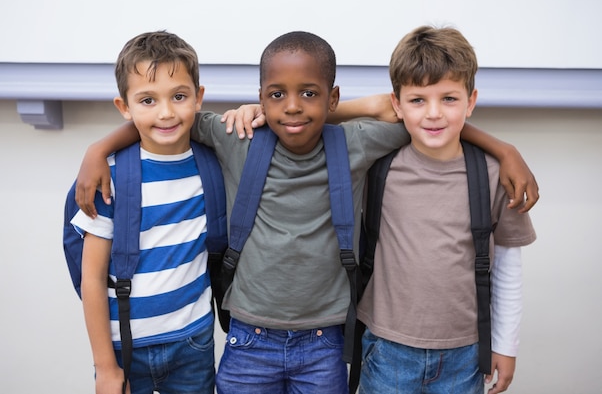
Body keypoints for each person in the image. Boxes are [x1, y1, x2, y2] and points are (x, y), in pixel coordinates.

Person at [74, 31, 539, 394]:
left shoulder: (356, 142)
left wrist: (503, 148)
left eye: (310, 95)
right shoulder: (239, 137)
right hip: (248, 340)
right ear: (259, 96)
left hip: (325, 343)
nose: (292, 106)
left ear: (332, 98)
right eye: (276, 95)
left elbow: (422, 120)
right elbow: (164, 122)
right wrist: (100, 148)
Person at [355, 25, 537, 394]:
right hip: (387, 349)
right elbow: (306, 120)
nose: (434, 113)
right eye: (417, 100)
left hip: (464, 354)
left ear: (471, 101)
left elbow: (507, 268)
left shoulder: (494, 176)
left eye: (449, 99)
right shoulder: (376, 165)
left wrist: (505, 345)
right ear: (396, 104)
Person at [70, 31, 216, 394]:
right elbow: (92, 277)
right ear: (124, 107)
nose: (166, 112)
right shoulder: (112, 177)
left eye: (179, 97)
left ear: (198, 98)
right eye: (147, 100)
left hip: (193, 343)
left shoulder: (213, 164)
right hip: (125, 348)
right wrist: (105, 367)